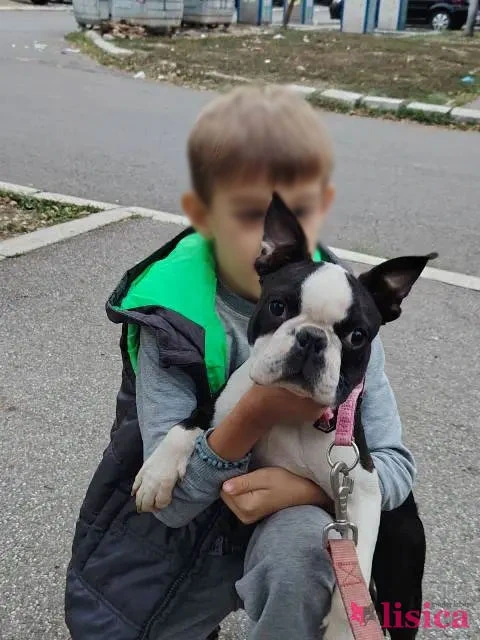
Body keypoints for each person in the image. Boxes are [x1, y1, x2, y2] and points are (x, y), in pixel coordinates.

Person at [65, 85, 416, 640]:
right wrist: (255, 412)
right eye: (255, 215)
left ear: (321, 209)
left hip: (293, 521)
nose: (270, 237)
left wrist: (311, 490)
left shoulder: (354, 314)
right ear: (202, 214)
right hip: (180, 538)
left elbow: (393, 469)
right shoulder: (170, 316)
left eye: (295, 215)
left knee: (307, 556)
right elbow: (170, 506)